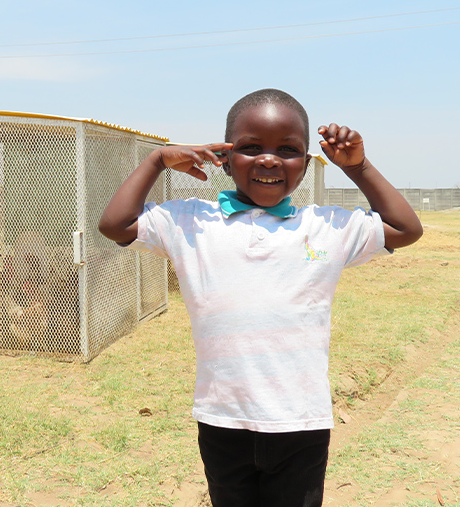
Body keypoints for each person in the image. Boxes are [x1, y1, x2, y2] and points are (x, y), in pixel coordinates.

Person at [99, 88, 423, 506]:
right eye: (251, 148)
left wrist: (358, 167)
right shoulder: (190, 221)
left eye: (287, 150)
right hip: (222, 419)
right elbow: (116, 225)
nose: (269, 159)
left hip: (301, 422)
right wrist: (157, 160)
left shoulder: (325, 227)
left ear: (306, 165)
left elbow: (406, 229)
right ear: (225, 158)